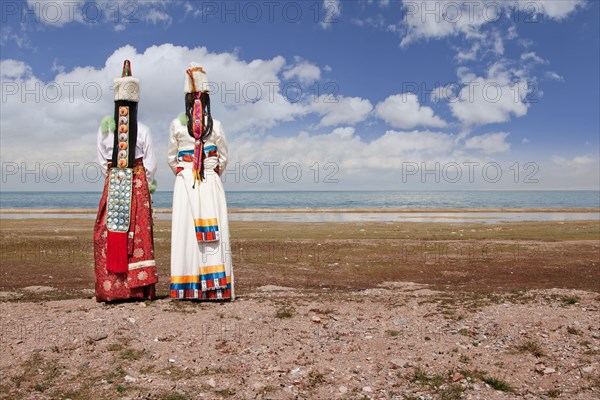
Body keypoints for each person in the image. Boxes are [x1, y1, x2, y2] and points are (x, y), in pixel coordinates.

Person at [167, 62, 234, 300]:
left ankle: (187, 288)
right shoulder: (216, 126)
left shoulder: (176, 125)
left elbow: (171, 159)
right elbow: (223, 159)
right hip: (209, 182)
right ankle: (216, 289)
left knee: (186, 232)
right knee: (211, 232)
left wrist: (185, 172)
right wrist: (211, 173)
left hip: (185, 182)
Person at [93, 60, 158, 302]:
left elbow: (102, 162)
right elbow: (150, 164)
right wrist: (139, 184)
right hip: (136, 182)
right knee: (137, 233)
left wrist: (114, 180)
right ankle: (136, 289)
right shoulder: (142, 129)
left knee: (109, 233)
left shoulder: (108, 130)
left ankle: (115, 289)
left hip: (116, 180)